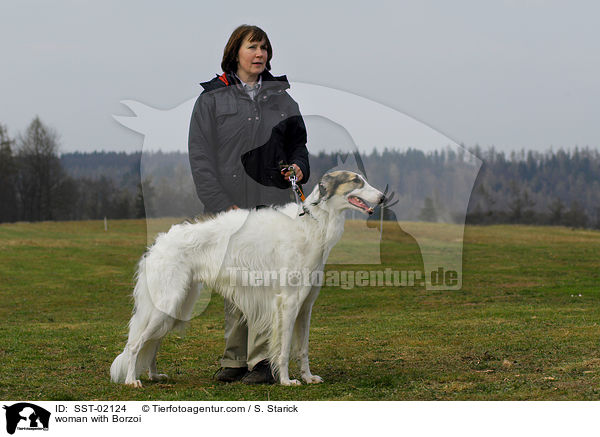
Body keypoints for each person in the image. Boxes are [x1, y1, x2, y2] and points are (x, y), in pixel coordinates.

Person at [188, 25, 310, 384]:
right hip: (230, 208)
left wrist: (300, 166)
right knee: (234, 282)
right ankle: (235, 360)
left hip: (272, 207)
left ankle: (263, 362)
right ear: (235, 53)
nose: (260, 55)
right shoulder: (211, 100)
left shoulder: (283, 99)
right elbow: (201, 158)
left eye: (265, 49)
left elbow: (298, 145)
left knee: (267, 283)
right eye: (253, 47)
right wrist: (220, 204)